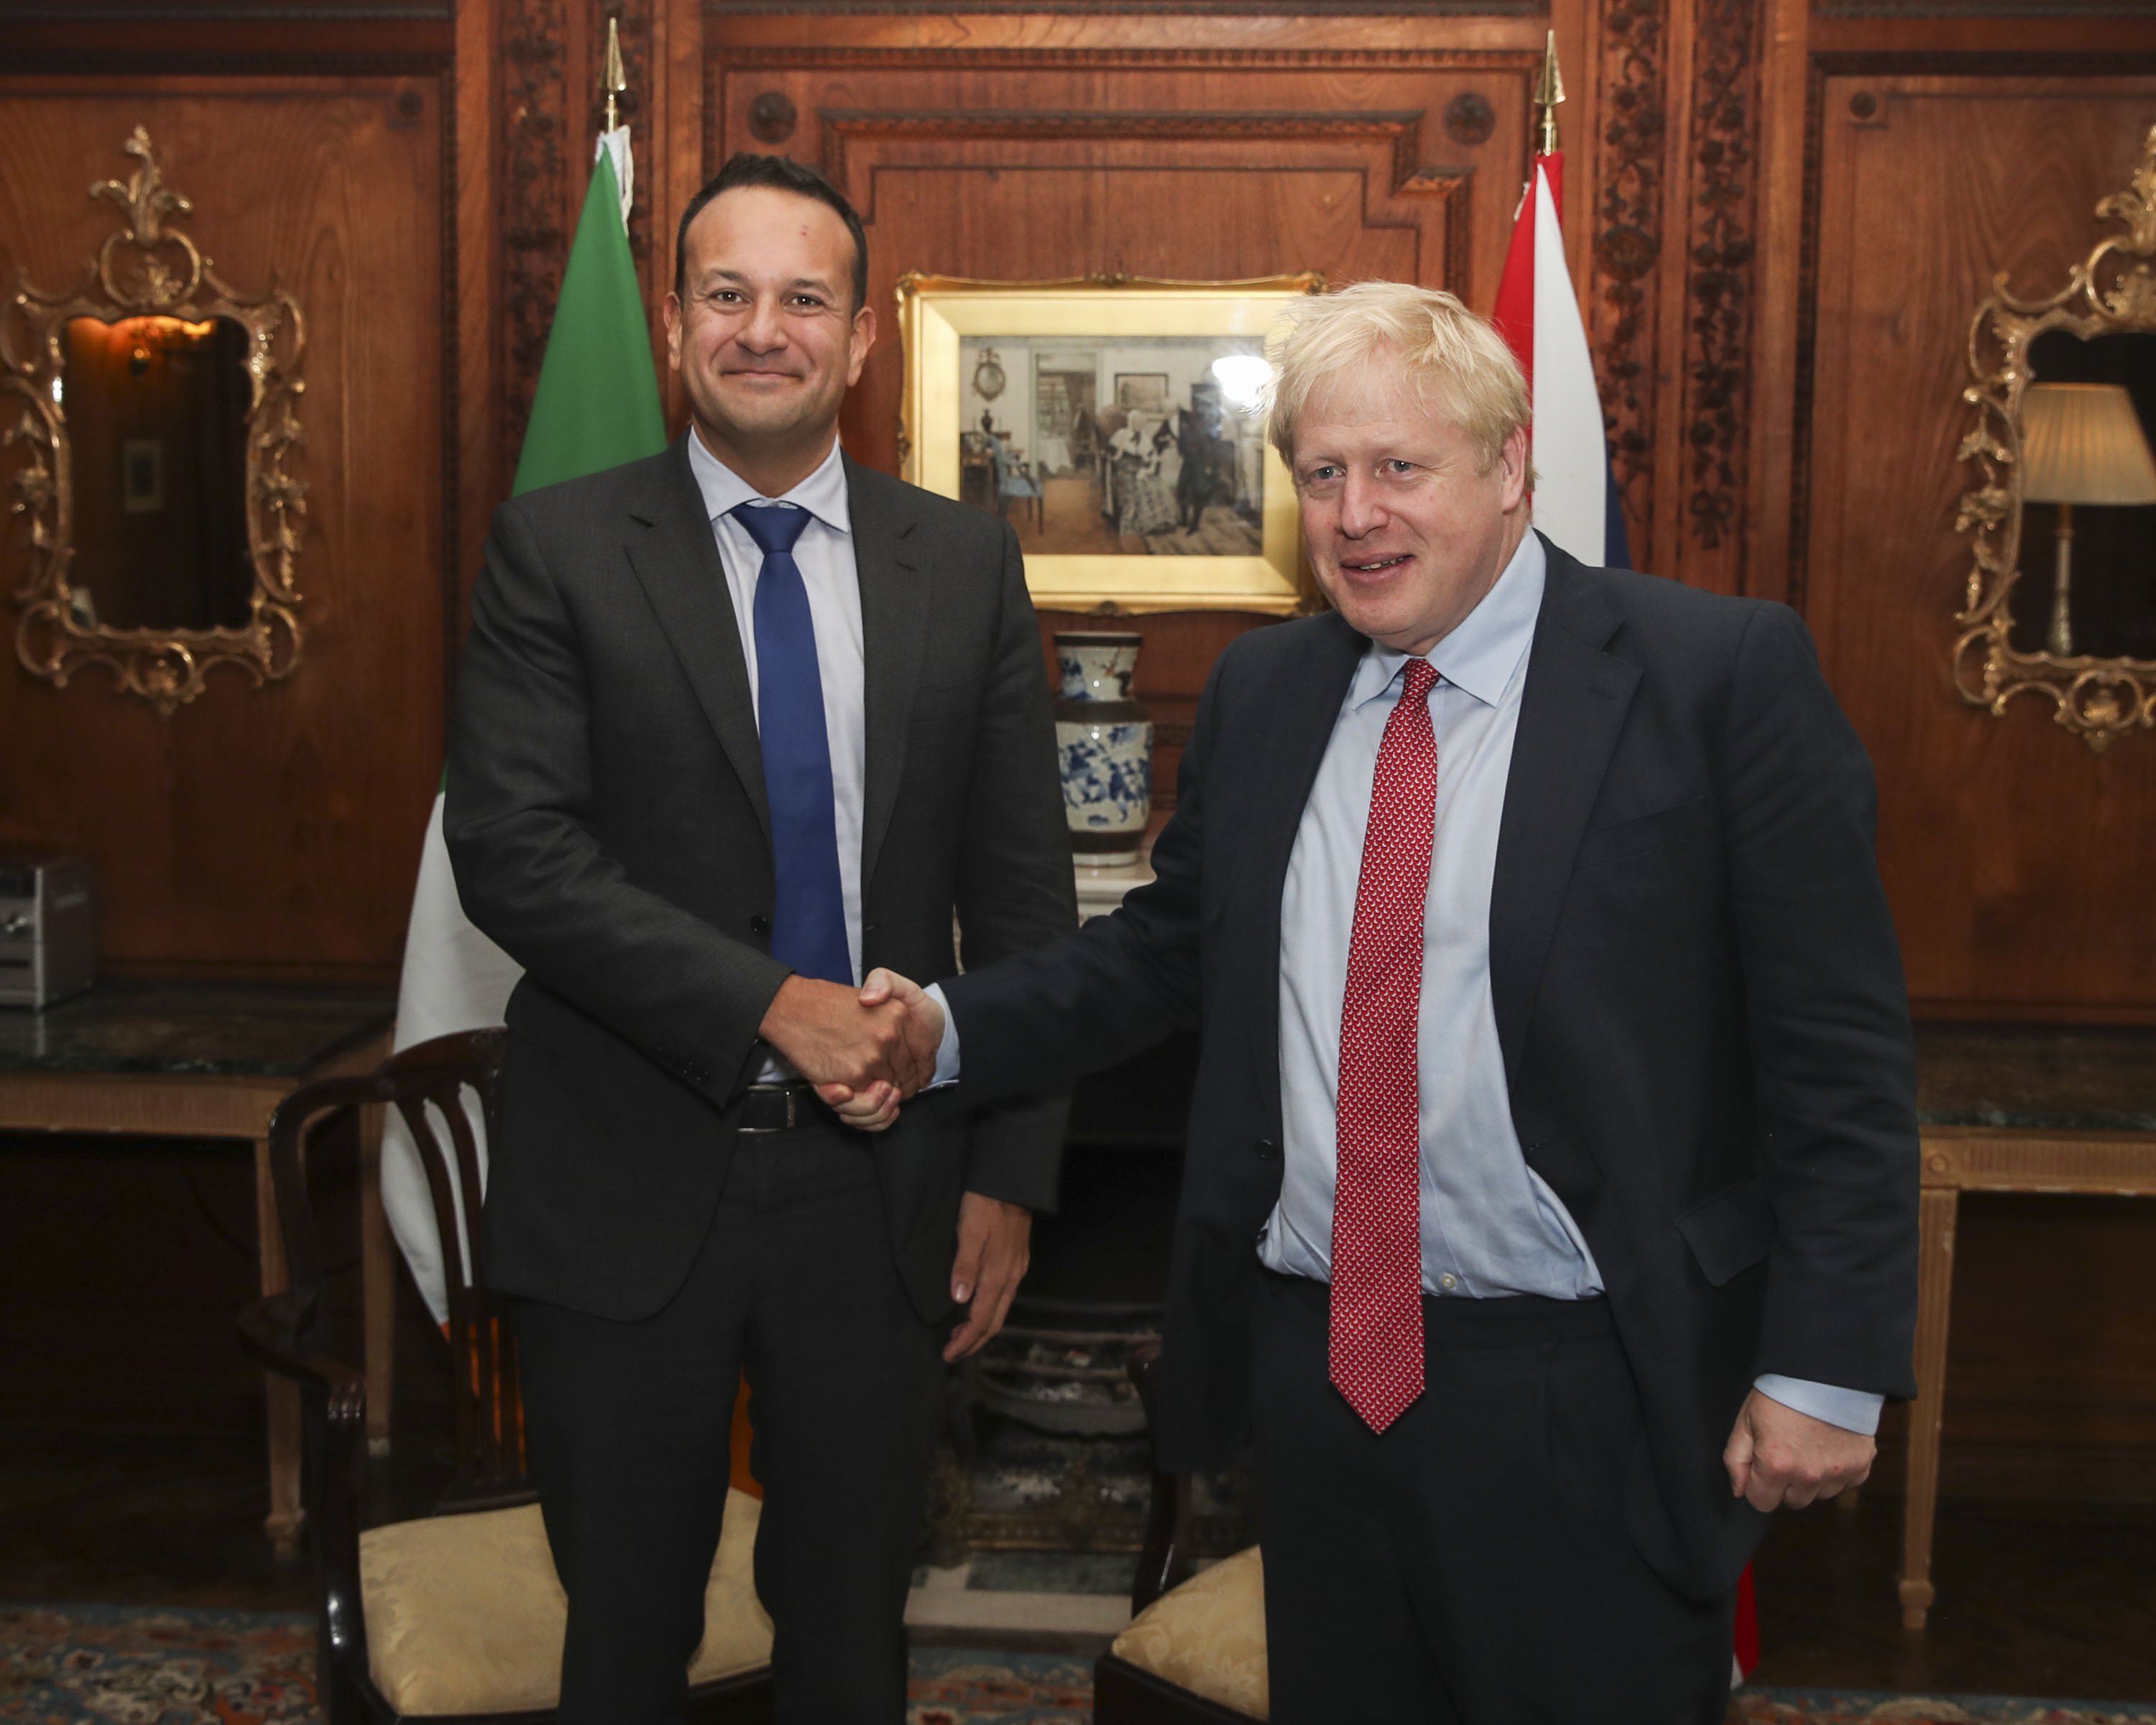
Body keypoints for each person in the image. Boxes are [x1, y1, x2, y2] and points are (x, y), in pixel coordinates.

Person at [835, 282, 1920, 1723]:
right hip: (1325, 1376)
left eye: (1400, 469)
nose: (1355, 515)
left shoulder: (1712, 676)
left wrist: (1829, 1366)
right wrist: (947, 1028)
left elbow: (1836, 1054)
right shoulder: (1270, 692)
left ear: (1510, 466)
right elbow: (1165, 955)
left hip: (1587, 1381)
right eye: (1324, 473)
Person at [443, 152, 1074, 1725]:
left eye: (805, 298)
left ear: (862, 340)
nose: (763, 329)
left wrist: (1009, 1170)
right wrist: (768, 1005)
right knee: (625, 1632)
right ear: (674, 329)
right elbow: (512, 855)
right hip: (625, 1184)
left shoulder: (967, 565)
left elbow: (1021, 898)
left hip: (882, 1195)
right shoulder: (557, 549)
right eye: (727, 294)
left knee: (855, 1628)